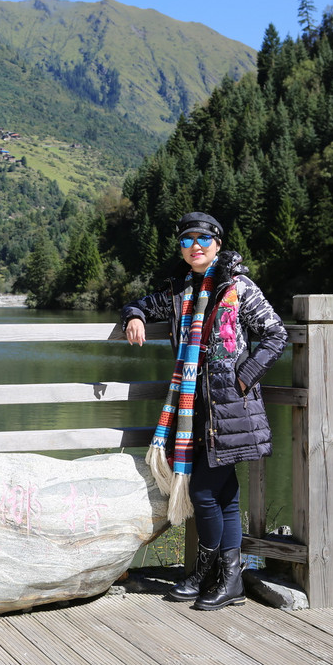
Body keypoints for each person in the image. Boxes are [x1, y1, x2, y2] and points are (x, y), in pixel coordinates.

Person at [121, 212, 287, 611]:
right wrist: (134, 316)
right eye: (186, 240)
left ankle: (207, 572)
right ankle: (228, 579)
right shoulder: (181, 290)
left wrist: (243, 379)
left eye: (202, 239)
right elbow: (139, 303)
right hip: (193, 408)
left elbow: (275, 333)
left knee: (204, 492)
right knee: (225, 494)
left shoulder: (238, 287)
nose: (194, 246)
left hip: (229, 408)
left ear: (217, 242)